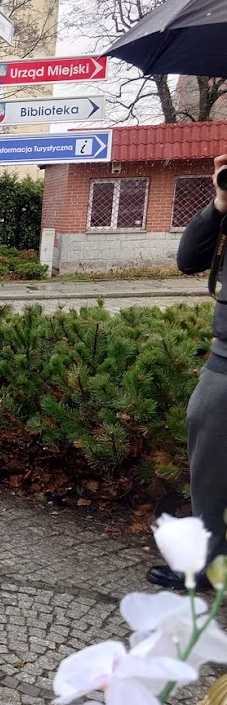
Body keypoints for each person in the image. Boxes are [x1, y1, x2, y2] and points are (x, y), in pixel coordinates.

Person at [147, 152, 227, 592]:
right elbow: (188, 259)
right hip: (225, 358)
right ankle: (208, 564)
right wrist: (219, 204)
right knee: (210, 460)